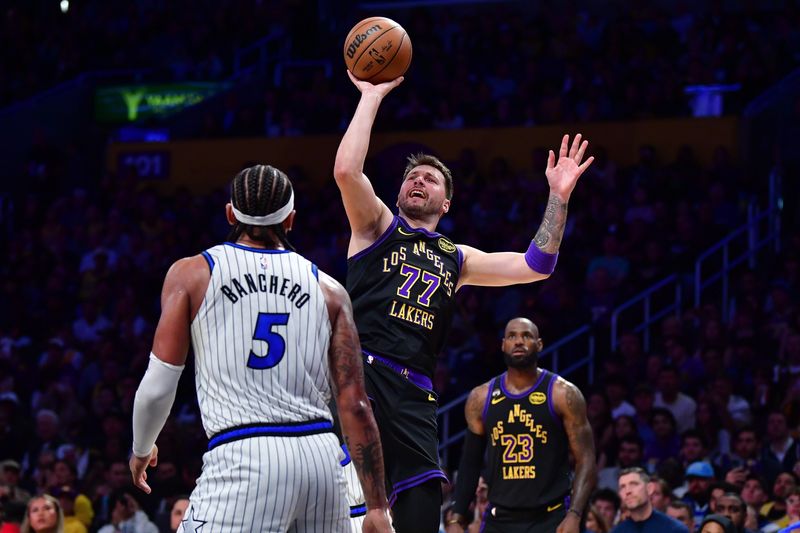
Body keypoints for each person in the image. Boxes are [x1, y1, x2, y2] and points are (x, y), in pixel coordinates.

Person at [333, 71, 593, 533]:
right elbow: (347, 171)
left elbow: (537, 264)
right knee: (345, 496)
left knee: (422, 502)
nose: (418, 181)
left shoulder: (459, 259)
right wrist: (371, 96)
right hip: (360, 370)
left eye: (430, 179)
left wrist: (558, 197)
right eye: (412, 177)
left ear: (445, 202)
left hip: (414, 390)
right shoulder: (376, 226)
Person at [128, 165, 393, 532]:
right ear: (291, 221)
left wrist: (142, 447)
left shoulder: (192, 273)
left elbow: (159, 382)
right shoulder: (330, 290)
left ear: (230, 213)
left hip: (244, 455)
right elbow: (355, 404)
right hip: (321, 459)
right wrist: (377, 505)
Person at [445, 318, 597, 533]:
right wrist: (456, 517)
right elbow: (470, 462)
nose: (518, 341)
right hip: (499, 518)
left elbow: (586, 459)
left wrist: (575, 514)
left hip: (551, 517)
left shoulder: (563, 394)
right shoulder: (481, 397)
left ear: (540, 344)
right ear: (503, 344)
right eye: (512, 336)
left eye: (526, 336)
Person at [612, 467, 688, 532]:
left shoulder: (675, 529)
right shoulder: (617, 531)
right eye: (622, 487)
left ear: (649, 489)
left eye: (633, 484)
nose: (627, 491)